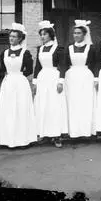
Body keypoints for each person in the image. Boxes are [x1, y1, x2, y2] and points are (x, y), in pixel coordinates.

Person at [0, 23, 37, 148]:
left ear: (20, 39)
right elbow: (3, 68)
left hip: (20, 83)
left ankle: (22, 139)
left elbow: (30, 70)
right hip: (8, 82)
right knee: (8, 109)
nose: (11, 39)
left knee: (20, 109)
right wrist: (10, 76)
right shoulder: (4, 53)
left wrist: (19, 75)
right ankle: (8, 138)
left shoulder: (25, 53)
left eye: (14, 37)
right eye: (10, 36)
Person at [33, 20, 68, 148]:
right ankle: (44, 133)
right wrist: (35, 82)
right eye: (41, 34)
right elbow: (37, 66)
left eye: (44, 34)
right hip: (42, 79)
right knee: (43, 105)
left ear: (51, 35)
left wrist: (60, 82)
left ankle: (56, 135)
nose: (42, 37)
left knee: (54, 106)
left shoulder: (58, 49)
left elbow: (63, 65)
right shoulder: (40, 49)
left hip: (54, 78)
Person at [64, 20, 97, 140]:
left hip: (86, 77)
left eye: (78, 33)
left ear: (84, 34)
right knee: (73, 104)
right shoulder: (69, 48)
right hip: (71, 78)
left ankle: (85, 131)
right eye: (74, 33)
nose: (76, 35)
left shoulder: (91, 48)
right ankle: (73, 131)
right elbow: (64, 64)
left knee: (85, 103)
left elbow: (95, 64)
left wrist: (96, 79)